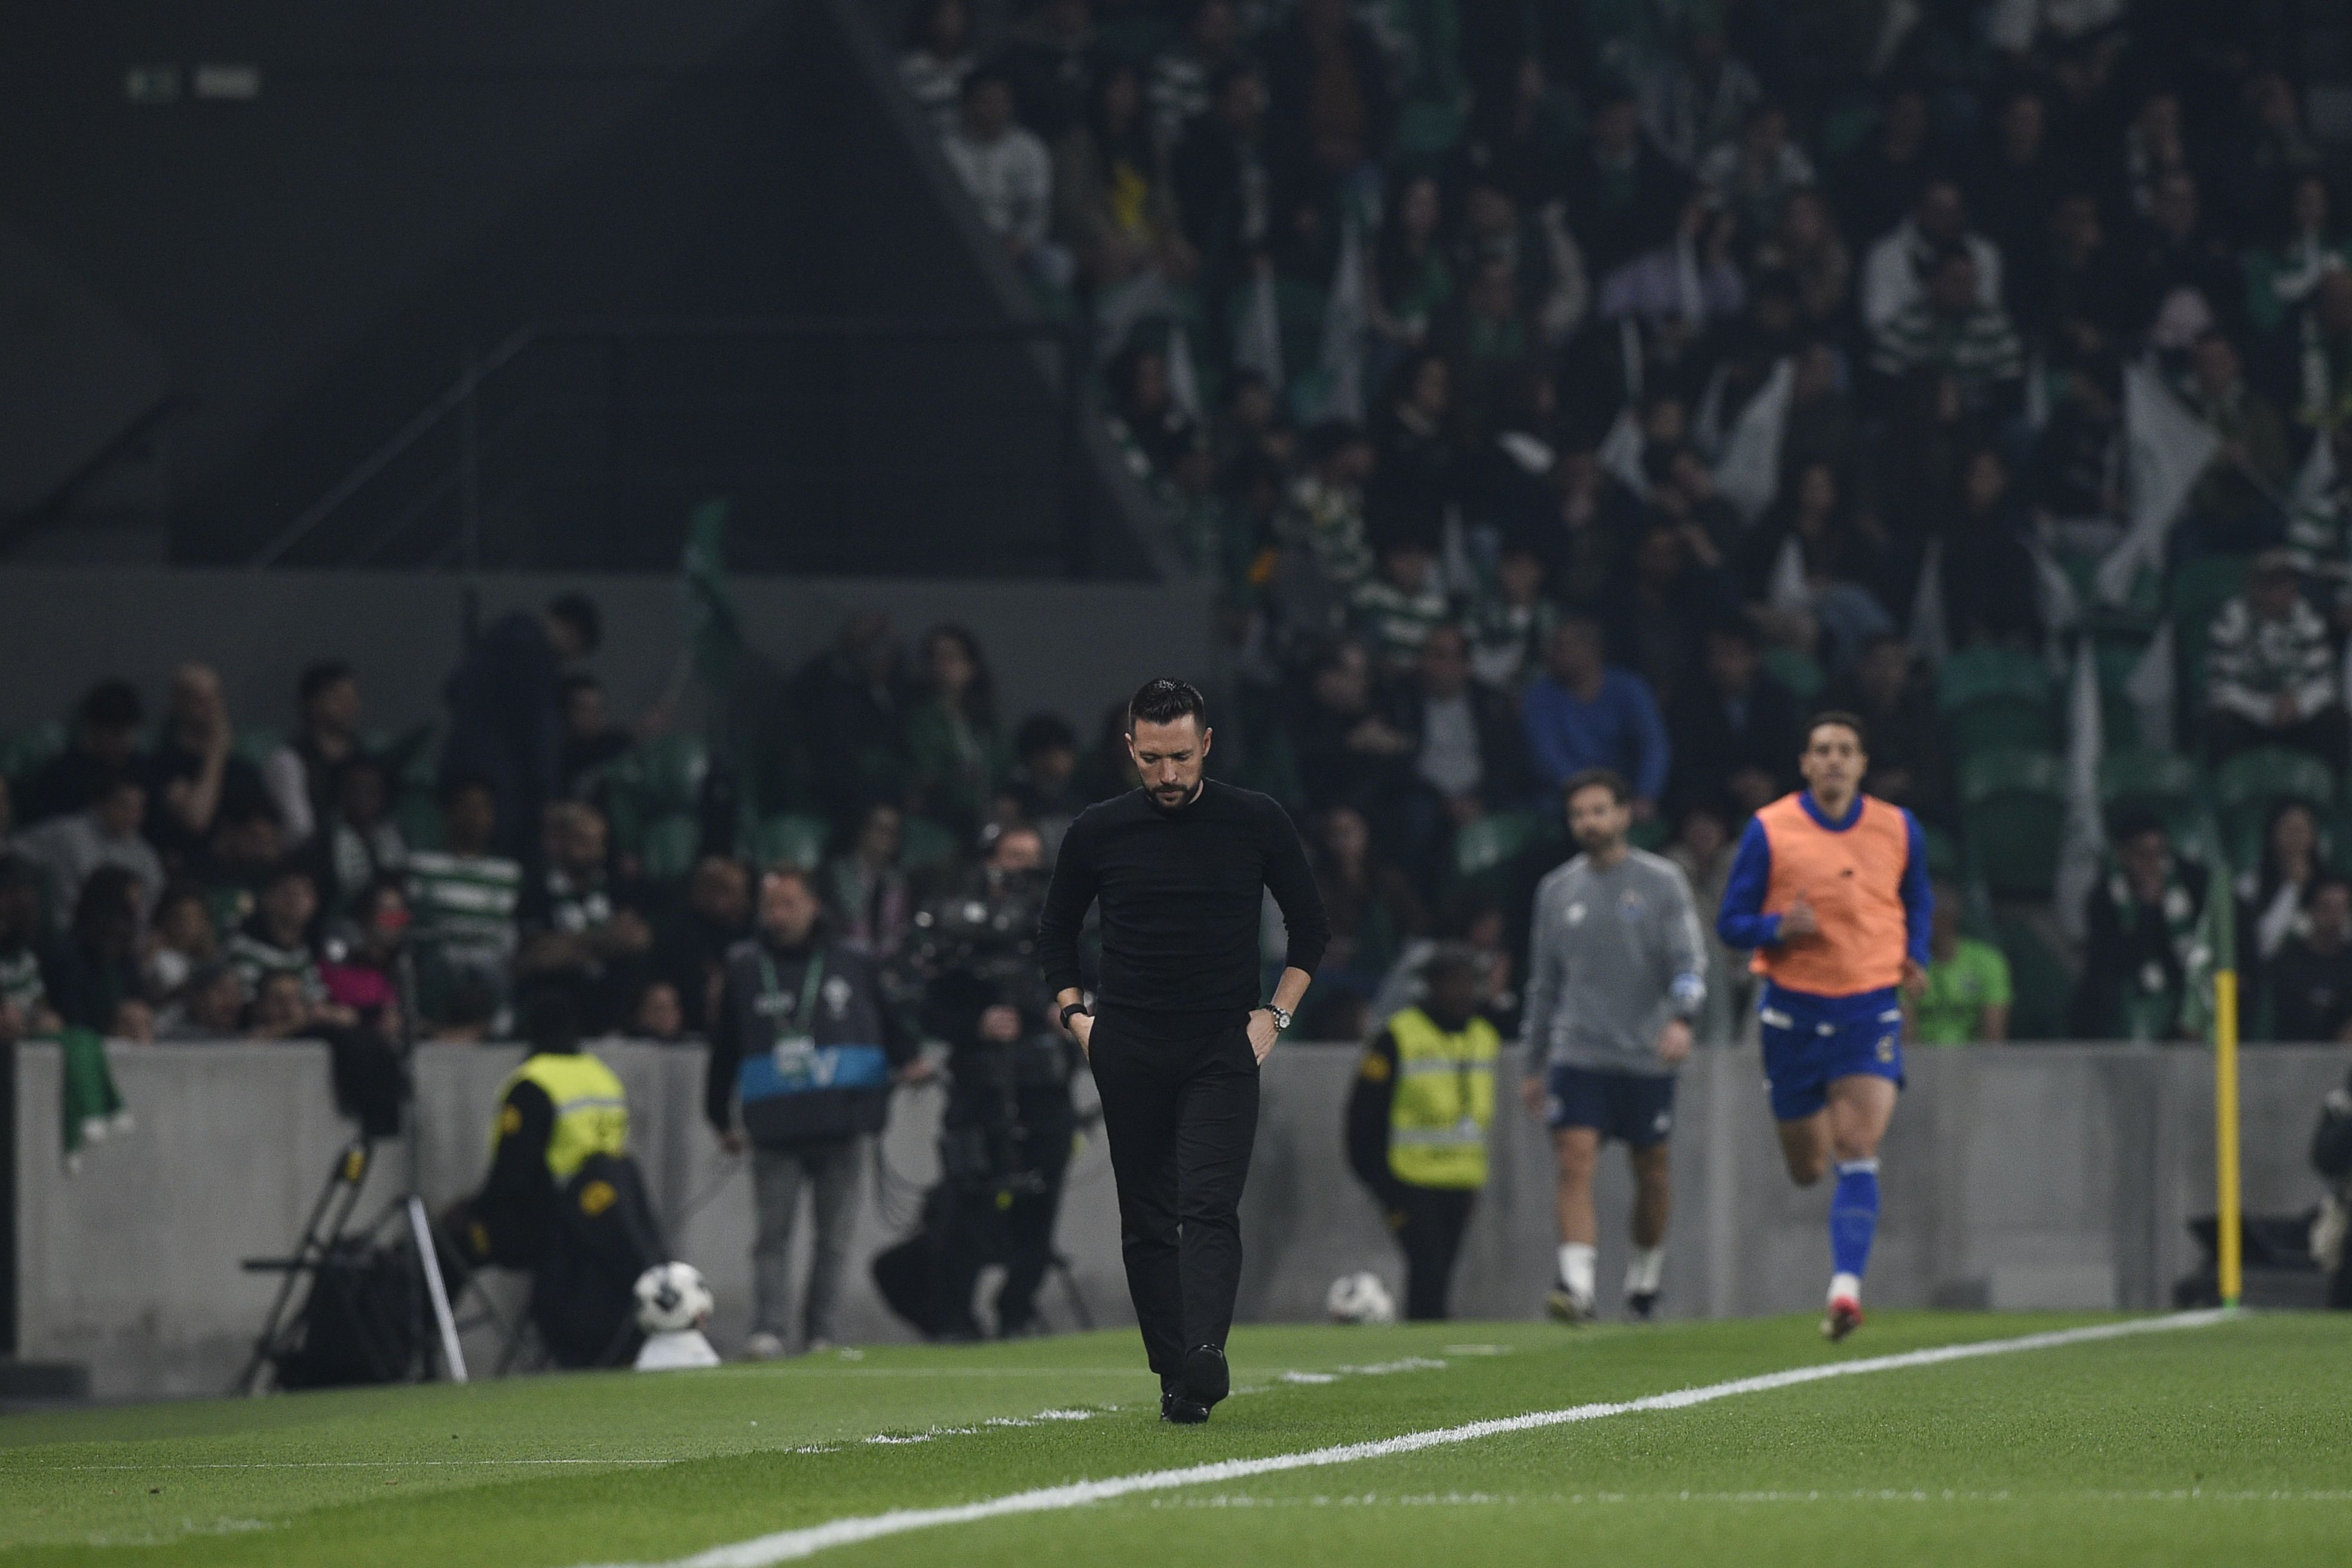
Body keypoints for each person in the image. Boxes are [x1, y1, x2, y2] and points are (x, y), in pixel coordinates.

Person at [1037, 678, 1329, 1425]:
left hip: (1221, 1042)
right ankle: (1175, 1375)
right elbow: (1054, 933)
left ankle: (1205, 1351)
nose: (1167, 775)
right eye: (1152, 758)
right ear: (1131, 749)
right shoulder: (1098, 830)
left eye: (1180, 757)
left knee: (1208, 1203)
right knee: (1145, 1212)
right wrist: (1077, 1016)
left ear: (1206, 746)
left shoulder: (1255, 820)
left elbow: (1312, 930)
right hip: (1126, 1040)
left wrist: (1275, 1017)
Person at [1717, 713, 1932, 1340]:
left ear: (1862, 763)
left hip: (1868, 1004)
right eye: (1821, 750)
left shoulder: (1897, 826)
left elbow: (1916, 895)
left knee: (1857, 1144)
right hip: (1794, 1011)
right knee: (1809, 1165)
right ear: (1805, 764)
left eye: (1845, 750)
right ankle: (1842, 1275)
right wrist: (1775, 927)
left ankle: (1845, 1291)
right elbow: (1731, 921)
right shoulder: (1771, 829)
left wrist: (1913, 950)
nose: (1834, 759)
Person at [708, 866, 922, 1359]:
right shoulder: (744, 966)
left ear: (813, 906)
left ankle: (822, 1334)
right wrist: (719, 1117)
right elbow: (726, 1047)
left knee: (834, 1240)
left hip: (842, 1120)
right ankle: (769, 1330)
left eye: (787, 904)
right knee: (771, 1237)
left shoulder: (853, 962)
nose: (777, 916)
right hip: (774, 1126)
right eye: (769, 906)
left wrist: (910, 1057)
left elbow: (891, 1020)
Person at [1520, 769, 1707, 1324]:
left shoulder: (1662, 882)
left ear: (1625, 815)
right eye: (1580, 814)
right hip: (1578, 1053)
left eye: (1600, 810)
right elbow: (1544, 984)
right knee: (1574, 1162)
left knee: (1652, 1171)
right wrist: (1534, 1063)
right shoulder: (1556, 890)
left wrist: (1682, 1019)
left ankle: (1644, 1274)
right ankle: (1576, 1287)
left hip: (1646, 1055)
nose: (1590, 823)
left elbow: (1690, 964)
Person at [881, 823, 1079, 1340]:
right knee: (965, 1199)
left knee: (1043, 1200)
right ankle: (955, 1316)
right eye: (1011, 857)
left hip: (1044, 1085)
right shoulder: (957, 931)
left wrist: (1064, 1015)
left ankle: (1018, 1310)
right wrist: (976, 1024)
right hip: (978, 1083)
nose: (1021, 870)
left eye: (1031, 859)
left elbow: (1093, 982)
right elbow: (924, 1002)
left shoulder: (1062, 924)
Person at [444, 990, 664, 1368]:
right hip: (604, 1228)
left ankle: (429, 1353)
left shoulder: (533, 1083)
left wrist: (474, 1209)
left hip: (548, 1228)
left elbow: (511, 1177)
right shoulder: (603, 1077)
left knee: (448, 1241)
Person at [1346, 947, 1499, 1321]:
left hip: (1462, 1179)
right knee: (1427, 1265)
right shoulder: (1398, 1037)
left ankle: (1428, 1339)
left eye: (1469, 982)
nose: (1463, 992)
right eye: (1452, 982)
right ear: (1430, 986)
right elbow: (1362, 1117)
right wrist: (1382, 1183)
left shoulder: (1484, 1035)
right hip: (1409, 1178)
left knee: (1441, 1270)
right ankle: (1423, 1340)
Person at [439, 592, 601, 862]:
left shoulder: (495, 639)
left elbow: (452, 688)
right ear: (572, 632)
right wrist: (549, 795)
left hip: (458, 769)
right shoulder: (538, 658)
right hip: (504, 785)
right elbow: (541, 732)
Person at [2071, 815, 2209, 1042]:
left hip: (2182, 975)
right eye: (2143, 855)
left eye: (2159, 853)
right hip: (2130, 979)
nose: (2153, 864)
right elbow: (2111, 959)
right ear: (2124, 855)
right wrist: (2147, 912)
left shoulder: (2193, 882)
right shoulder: (2105, 897)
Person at [2204, 550, 2345, 765]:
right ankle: (2237, 794)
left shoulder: (2307, 618)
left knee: (2335, 721)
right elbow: (2221, 689)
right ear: (2256, 588)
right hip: (2251, 716)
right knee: (2220, 724)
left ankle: (2320, 795)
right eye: (2277, 584)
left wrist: (2299, 704)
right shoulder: (2232, 619)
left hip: (2297, 716)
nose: (2288, 590)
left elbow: (2325, 683)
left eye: (2290, 582)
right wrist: (2268, 710)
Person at [1520, 616, 1671, 817]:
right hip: (1562, 807)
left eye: (1561, 647)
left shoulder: (1630, 689)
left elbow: (1653, 745)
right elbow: (1548, 758)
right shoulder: (1540, 697)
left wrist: (1646, 794)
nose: (1552, 655)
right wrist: (1593, 798)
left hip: (1627, 802)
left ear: (1590, 650)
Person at [404, 776, 523, 1028]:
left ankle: (497, 1030)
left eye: (483, 808)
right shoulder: (422, 867)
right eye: (466, 807)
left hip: (492, 965)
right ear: (448, 812)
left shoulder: (508, 874)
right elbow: (402, 921)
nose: (475, 816)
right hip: (438, 962)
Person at [142, 663, 270, 869]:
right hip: (190, 873)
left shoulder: (242, 768)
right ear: (180, 704)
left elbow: (266, 833)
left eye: (216, 697)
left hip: (243, 873)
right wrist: (215, 753)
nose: (212, 708)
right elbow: (196, 819)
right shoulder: (163, 765)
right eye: (201, 700)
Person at [17, 774, 163, 930]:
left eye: (138, 809)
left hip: (120, 939)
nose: (132, 815)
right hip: (66, 930)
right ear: (100, 803)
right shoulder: (67, 833)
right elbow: (16, 849)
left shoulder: (143, 853)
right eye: (124, 806)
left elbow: (154, 895)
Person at [262, 660, 364, 850]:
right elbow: (300, 831)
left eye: (353, 697)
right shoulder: (288, 760)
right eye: (339, 698)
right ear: (312, 703)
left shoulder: (363, 758)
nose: (350, 705)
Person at [20, 680, 143, 827]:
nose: (127, 741)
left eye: (130, 732)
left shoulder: (140, 769)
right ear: (94, 730)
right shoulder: (62, 775)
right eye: (117, 733)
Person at [1909, 881, 2014, 1045]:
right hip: (1922, 1064)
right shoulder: (1908, 966)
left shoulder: (1988, 962)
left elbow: (1994, 1038)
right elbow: (1906, 1040)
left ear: (1948, 918)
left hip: (1975, 1064)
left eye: (1924, 917)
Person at [2268, 877, 2352, 1042]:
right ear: (2311, 910)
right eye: (2326, 908)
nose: (2334, 917)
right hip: (2294, 1055)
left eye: (2341, 908)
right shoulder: (2288, 961)